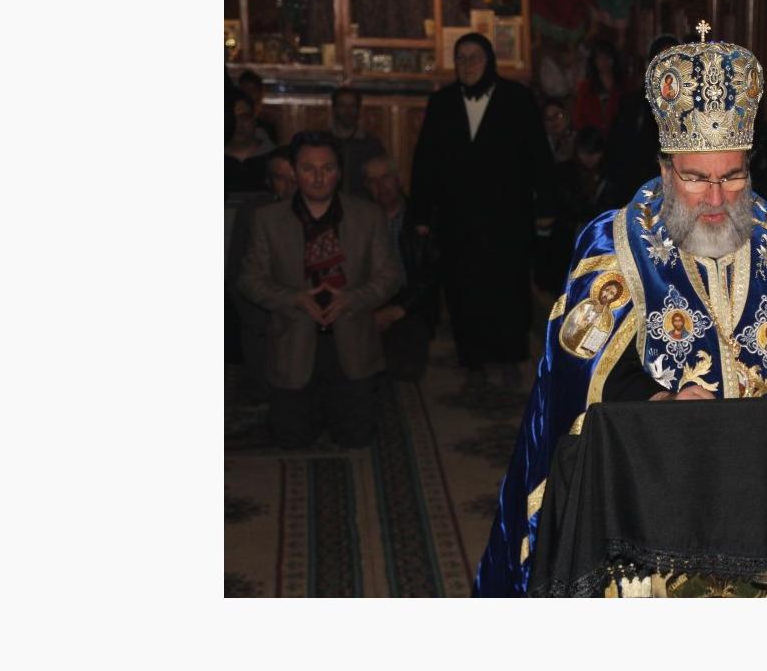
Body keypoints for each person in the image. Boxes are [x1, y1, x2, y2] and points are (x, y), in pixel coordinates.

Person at [475, 26, 767, 596]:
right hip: (653, 509)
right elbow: (577, 380)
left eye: (732, 176)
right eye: (696, 178)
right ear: (664, 169)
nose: (716, 198)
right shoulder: (615, 246)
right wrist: (659, 403)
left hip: (764, 511)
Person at [409, 32, 555, 396]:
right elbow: (425, 162)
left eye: (474, 57)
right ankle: (472, 362)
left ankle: (509, 360)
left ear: (489, 61)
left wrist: (545, 207)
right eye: (461, 58)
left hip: (508, 216)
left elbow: (539, 157)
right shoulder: (442, 102)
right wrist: (421, 214)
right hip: (458, 218)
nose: (467, 65)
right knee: (463, 291)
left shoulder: (517, 98)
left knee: (508, 290)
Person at [238, 132, 401, 449]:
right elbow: (249, 279)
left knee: (355, 438)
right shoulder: (267, 219)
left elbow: (390, 276)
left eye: (327, 168)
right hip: (293, 339)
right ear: (295, 171)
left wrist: (353, 298)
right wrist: (295, 299)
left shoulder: (368, 215)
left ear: (339, 172)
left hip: (352, 337)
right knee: (292, 440)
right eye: (308, 169)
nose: (318, 178)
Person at [364, 156, 441, 382]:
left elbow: (432, 274)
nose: (381, 186)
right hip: (370, 301)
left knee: (405, 369)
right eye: (373, 181)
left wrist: (401, 308)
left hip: (411, 302)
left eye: (386, 178)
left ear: (398, 180)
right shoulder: (359, 221)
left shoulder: (423, 217)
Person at [536, 127, 619, 294]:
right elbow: (565, 205)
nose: (589, 158)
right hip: (567, 239)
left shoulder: (610, 175)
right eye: (585, 153)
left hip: (598, 239)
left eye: (594, 153)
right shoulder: (565, 172)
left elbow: (612, 207)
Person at [606, 34, 681, 205]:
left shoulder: (693, 104)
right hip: (640, 191)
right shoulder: (632, 104)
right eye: (661, 60)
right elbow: (619, 154)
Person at [330, 87, 388, 196]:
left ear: (359, 110)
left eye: (352, 106)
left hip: (363, 203)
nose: (348, 111)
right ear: (334, 109)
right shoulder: (324, 143)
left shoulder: (372, 145)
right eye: (342, 106)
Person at [226, 92, 276, 195]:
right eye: (232, 118)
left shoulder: (274, 158)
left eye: (244, 117)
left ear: (254, 118)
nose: (238, 124)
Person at [572, 39, 625, 134]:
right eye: (600, 58)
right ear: (594, 61)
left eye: (607, 57)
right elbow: (579, 119)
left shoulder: (624, 85)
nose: (604, 61)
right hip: (593, 137)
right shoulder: (585, 87)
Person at [237, 69, 281, 145]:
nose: (249, 94)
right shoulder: (231, 124)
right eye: (245, 89)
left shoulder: (267, 126)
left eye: (252, 90)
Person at [542, 100, 575, 164]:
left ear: (567, 116)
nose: (553, 120)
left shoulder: (578, 138)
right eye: (548, 118)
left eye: (558, 115)